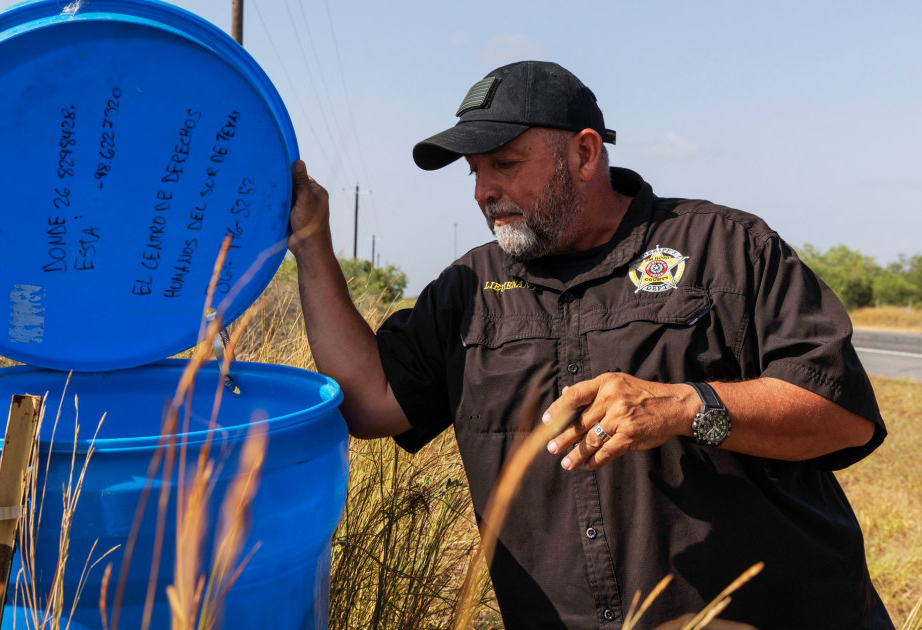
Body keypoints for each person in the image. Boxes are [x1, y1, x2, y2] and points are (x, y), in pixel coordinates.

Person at [288, 60, 890, 629]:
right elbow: (371, 402)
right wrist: (312, 244)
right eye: (474, 171)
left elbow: (842, 417)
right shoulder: (468, 289)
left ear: (584, 153)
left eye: (504, 163)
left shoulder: (727, 249)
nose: (482, 191)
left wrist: (687, 407)